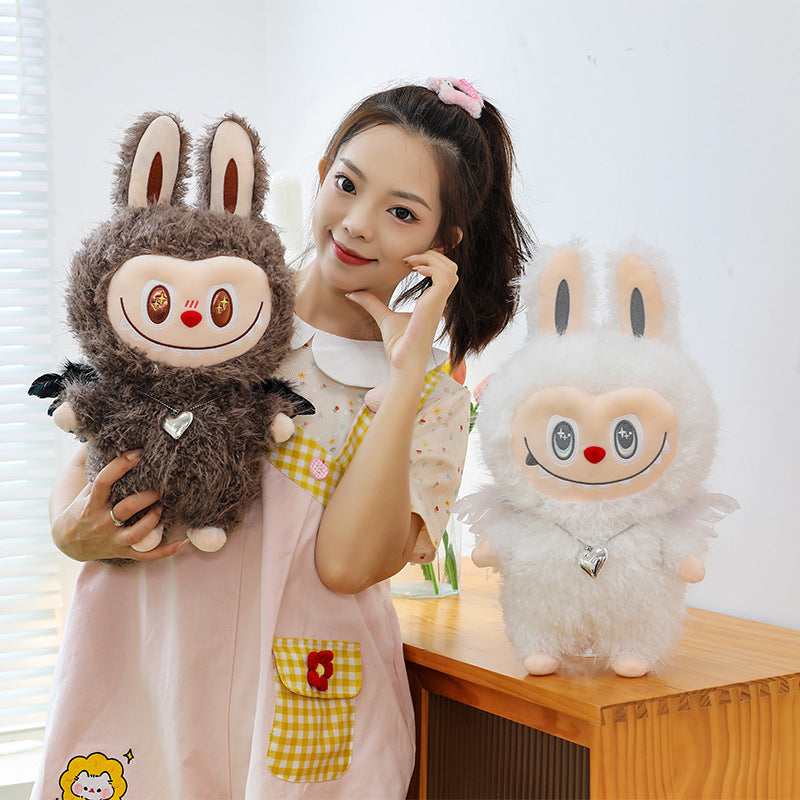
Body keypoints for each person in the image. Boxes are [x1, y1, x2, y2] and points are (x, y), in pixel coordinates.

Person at [32, 79, 533, 799]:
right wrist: (69, 530)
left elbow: (346, 565)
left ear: (442, 243)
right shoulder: (224, 305)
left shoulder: (433, 399)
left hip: (296, 712)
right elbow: (98, 453)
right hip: (147, 671)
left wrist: (400, 379)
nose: (357, 224)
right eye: (347, 184)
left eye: (401, 212)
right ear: (323, 171)